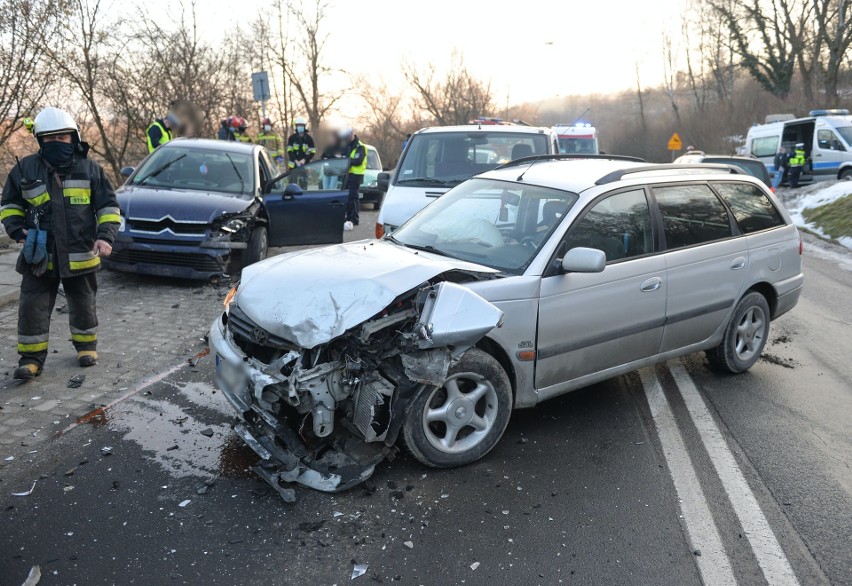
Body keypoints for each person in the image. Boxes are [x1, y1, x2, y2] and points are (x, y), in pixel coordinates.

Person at [0, 107, 120, 380]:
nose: (56, 143)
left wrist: (105, 236)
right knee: (32, 306)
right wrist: (18, 231)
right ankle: (30, 360)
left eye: (62, 138)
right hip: (39, 255)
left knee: (84, 303)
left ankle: (86, 347)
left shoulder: (91, 169)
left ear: (74, 137)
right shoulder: (24, 168)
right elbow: (9, 204)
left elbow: (108, 207)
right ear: (40, 141)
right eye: (50, 139)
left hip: (81, 253)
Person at [339, 127, 366, 230]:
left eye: (346, 137)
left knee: (353, 197)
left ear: (351, 135)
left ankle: (354, 218)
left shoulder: (360, 146)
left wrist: (347, 160)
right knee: (348, 197)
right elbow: (343, 156)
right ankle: (349, 217)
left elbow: (358, 160)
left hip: (356, 175)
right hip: (348, 175)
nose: (345, 139)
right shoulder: (347, 145)